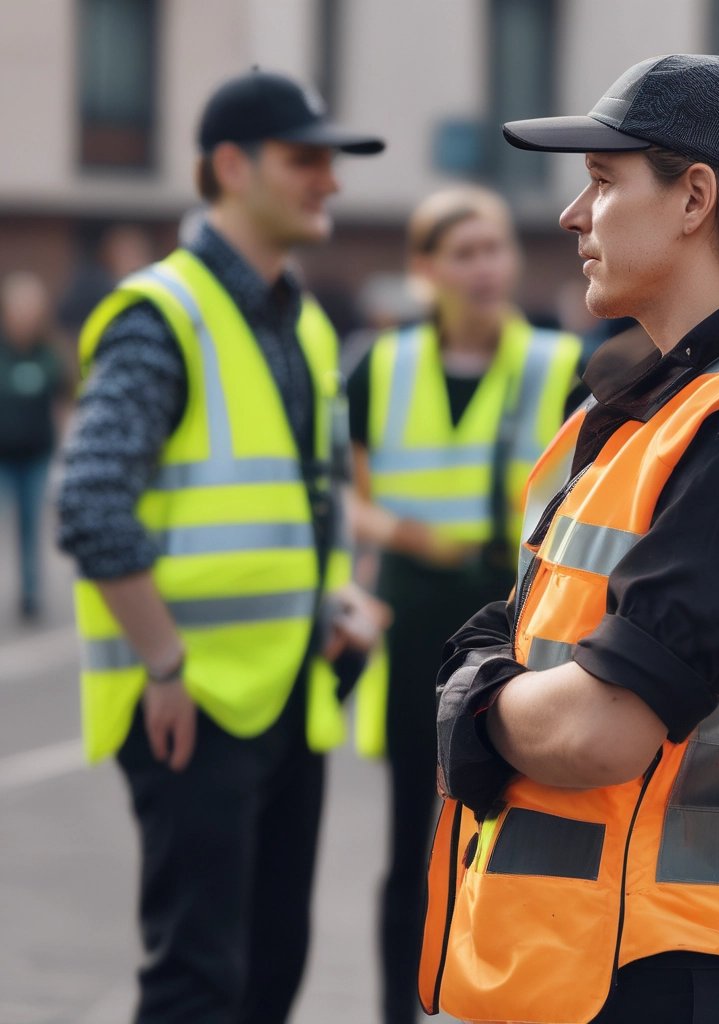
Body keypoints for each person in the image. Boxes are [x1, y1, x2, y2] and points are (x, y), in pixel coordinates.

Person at [421, 52, 719, 1024]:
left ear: (693, 199)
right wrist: (501, 677)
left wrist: (473, 705)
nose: (571, 215)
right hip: (635, 956)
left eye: (602, 182)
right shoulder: (666, 402)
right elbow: (527, 631)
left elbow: (603, 725)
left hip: (687, 971)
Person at [57, 69, 388, 1024]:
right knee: (199, 986)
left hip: (288, 696)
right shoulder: (162, 317)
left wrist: (337, 603)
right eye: (306, 160)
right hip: (192, 706)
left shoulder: (305, 324)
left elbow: (298, 510)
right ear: (231, 167)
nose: (329, 181)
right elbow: (91, 504)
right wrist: (161, 661)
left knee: (270, 972)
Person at [345, 184, 584, 1024]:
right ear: (425, 271)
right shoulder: (381, 365)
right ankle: (398, 1008)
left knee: (520, 830)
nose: (487, 269)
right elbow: (350, 496)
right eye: (464, 252)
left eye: (496, 249)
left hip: (514, 616)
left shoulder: (561, 365)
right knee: (414, 837)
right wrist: (406, 535)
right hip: (415, 617)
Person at [0, 272, 69, 620]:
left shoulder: (48, 354)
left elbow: (62, 403)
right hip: (3, 455)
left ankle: (30, 594)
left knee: (31, 526)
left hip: (36, 454)